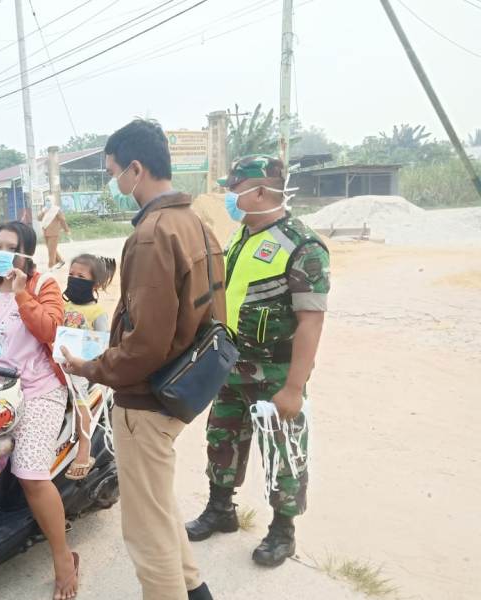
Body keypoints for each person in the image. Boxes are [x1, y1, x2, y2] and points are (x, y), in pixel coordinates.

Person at [61, 119, 223, 600]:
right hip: (182, 385)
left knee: (145, 533)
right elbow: (214, 314)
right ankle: (195, 590)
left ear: (136, 168)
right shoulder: (197, 224)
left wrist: (92, 368)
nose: (115, 184)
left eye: (114, 173)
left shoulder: (152, 234)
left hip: (147, 397)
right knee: (157, 506)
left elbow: (146, 342)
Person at [184, 155, 331, 568]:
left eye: (235, 189)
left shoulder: (302, 245)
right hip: (231, 366)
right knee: (222, 440)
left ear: (260, 191)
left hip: (276, 373)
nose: (230, 197)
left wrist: (294, 388)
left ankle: (283, 533)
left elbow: (310, 323)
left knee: (283, 452)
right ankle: (220, 510)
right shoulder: (240, 238)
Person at [0, 221, 79, 600]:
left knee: (30, 474)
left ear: (26, 254)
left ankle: (63, 558)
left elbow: (51, 330)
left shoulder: (42, 285)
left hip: (38, 390)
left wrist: (20, 295)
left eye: (10, 247)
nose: (1, 253)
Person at [61, 253, 116, 481]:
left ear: (95, 283)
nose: (74, 279)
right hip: (56, 366)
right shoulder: (61, 304)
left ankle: (84, 452)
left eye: (80, 276)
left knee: (80, 404)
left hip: (79, 370)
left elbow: (102, 344)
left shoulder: (97, 313)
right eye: (71, 274)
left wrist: (83, 359)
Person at [38, 196, 70, 268]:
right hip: (45, 232)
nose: (47, 202)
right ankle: (61, 261)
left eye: (49, 200)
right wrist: (43, 212)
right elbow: (39, 218)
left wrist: (66, 230)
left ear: (52, 201)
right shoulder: (44, 209)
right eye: (46, 200)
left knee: (51, 251)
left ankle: (51, 266)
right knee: (51, 249)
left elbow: (62, 220)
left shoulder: (56, 210)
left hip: (54, 233)